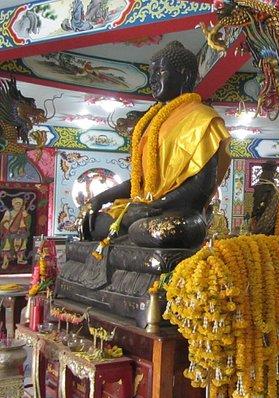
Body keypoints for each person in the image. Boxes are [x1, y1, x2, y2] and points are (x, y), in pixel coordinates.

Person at [78, 41, 231, 250]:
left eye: (160, 72)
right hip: (143, 209)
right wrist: (99, 198)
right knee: (92, 223)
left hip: (180, 213)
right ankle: (126, 236)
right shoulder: (152, 122)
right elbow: (140, 181)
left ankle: (127, 237)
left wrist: (153, 207)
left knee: (159, 230)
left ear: (185, 75)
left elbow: (201, 187)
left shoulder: (203, 119)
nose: (152, 79)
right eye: (151, 73)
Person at [1, 197, 31, 269]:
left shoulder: (24, 213)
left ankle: (20, 259)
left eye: (20, 204)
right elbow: (4, 222)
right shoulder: (9, 212)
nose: (18, 205)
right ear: (13, 204)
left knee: (22, 245)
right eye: (16, 203)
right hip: (10, 232)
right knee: (7, 245)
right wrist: (10, 228)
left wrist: (26, 217)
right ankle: (5, 261)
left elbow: (28, 223)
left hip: (21, 231)